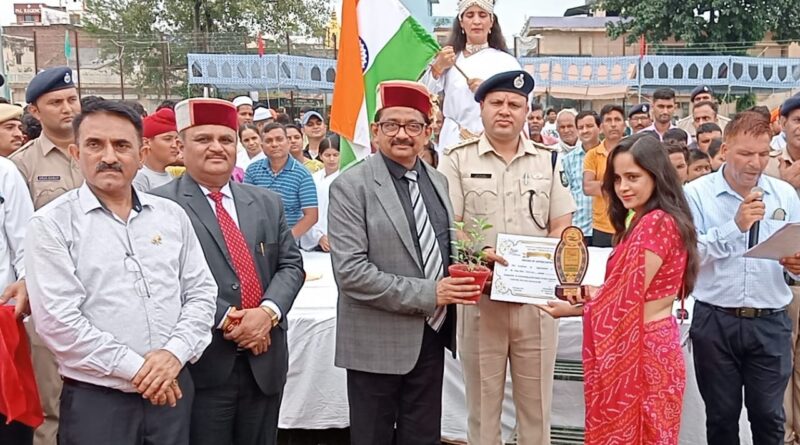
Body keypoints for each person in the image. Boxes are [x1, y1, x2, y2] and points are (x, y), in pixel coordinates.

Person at [25, 99, 218, 445]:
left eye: (122, 145)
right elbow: (58, 321)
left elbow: (201, 293)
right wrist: (140, 369)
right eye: (95, 145)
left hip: (172, 391)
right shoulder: (51, 225)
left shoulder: (171, 216)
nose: (109, 156)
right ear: (75, 153)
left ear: (141, 154)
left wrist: (173, 354)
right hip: (99, 401)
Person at [329, 80, 479, 445]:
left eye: (413, 125)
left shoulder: (437, 180)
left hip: (431, 336)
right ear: (375, 131)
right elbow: (351, 273)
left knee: (423, 437)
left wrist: (475, 257)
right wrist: (431, 293)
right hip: (376, 342)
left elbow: (437, 244)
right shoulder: (350, 186)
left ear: (428, 132)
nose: (402, 134)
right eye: (391, 125)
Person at [151, 98, 304, 445]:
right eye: (203, 139)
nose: (217, 148)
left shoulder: (265, 202)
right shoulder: (159, 206)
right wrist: (234, 322)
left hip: (264, 361)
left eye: (225, 139)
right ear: (181, 146)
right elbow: (161, 280)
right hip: (202, 364)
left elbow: (290, 265)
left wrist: (266, 314)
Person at [439, 70, 575, 445]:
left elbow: (562, 225)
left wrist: (537, 267)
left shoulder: (548, 160)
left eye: (514, 104)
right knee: (483, 413)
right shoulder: (456, 159)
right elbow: (450, 223)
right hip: (482, 302)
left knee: (536, 413)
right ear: (481, 107)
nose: (505, 110)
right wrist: (478, 253)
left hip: (536, 305)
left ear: (526, 111)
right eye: (497, 102)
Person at [540, 134, 698, 444]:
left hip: (644, 349)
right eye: (616, 179)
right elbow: (626, 288)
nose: (623, 187)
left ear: (656, 175)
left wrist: (570, 309)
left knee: (644, 434)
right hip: (649, 340)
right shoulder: (644, 219)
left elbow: (626, 297)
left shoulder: (655, 223)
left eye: (633, 177)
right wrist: (589, 294)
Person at [685, 110, 800, 445]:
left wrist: (794, 265)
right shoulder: (696, 194)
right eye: (746, 154)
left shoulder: (784, 194)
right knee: (721, 417)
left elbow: (792, 251)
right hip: (715, 320)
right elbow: (690, 254)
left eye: (763, 154)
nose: (755, 163)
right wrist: (735, 226)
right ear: (725, 150)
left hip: (770, 320)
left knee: (769, 417)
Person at [9, 66, 83, 445]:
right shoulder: (21, 165)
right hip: (49, 299)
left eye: (72, 99)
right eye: (56, 103)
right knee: (50, 404)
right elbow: (19, 236)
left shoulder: (98, 152)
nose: (67, 108)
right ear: (35, 112)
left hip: (102, 291)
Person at [420, 0, 521, 151]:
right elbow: (424, 95)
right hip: (453, 139)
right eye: (470, 15)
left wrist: (488, 91)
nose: (476, 21)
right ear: (461, 22)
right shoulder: (450, 60)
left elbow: (520, 103)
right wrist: (437, 67)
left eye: (482, 15)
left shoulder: (508, 63)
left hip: (494, 141)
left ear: (491, 21)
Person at [764, 96, 800, 444]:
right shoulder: (768, 168)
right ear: (784, 124)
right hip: (779, 279)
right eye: (797, 120)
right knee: (781, 365)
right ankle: (786, 435)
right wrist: (790, 186)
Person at [0, 138, 37, 444]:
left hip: (2, 326)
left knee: (9, 424)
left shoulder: (4, 172)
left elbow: (25, 243)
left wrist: (26, 281)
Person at [244, 123, 318, 240]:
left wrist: (287, 239)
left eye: (279, 139)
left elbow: (311, 216)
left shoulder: (302, 174)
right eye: (269, 141)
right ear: (262, 146)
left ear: (288, 143)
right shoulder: (252, 171)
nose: (274, 144)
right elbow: (246, 207)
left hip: (289, 241)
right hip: (258, 240)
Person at [584, 105, 626, 247]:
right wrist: (620, 185)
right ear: (601, 127)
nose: (613, 124)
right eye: (608, 120)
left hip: (628, 224)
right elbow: (588, 187)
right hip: (602, 227)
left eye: (617, 120)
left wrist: (602, 185)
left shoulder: (633, 152)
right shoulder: (592, 155)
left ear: (624, 125)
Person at [562, 110, 596, 244]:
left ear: (599, 127)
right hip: (578, 228)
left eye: (589, 126)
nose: (585, 131)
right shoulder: (568, 160)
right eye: (581, 127)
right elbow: (565, 194)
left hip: (605, 228)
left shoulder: (611, 156)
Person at [300, 136, 340, 252]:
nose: (331, 159)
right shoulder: (312, 179)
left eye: (335, 155)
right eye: (327, 155)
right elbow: (305, 209)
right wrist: (318, 237)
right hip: (313, 239)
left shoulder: (345, 178)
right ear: (321, 156)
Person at [132, 108, 180, 192]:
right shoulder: (139, 178)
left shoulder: (170, 176)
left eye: (176, 139)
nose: (174, 145)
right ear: (146, 142)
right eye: (167, 139)